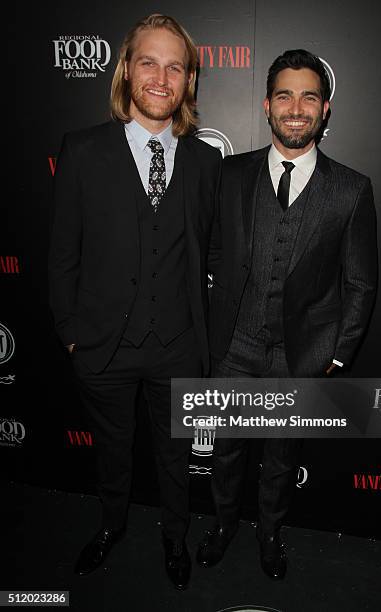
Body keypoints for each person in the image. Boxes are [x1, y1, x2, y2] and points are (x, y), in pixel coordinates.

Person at [49, 14, 221, 590]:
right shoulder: (83, 150)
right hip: (104, 346)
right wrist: (72, 331)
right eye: (149, 61)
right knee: (112, 454)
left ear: (188, 81)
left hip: (177, 349)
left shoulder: (205, 163)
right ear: (126, 69)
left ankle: (175, 537)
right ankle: (110, 526)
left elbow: (211, 254)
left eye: (175, 66)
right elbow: (61, 255)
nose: (161, 76)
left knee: (175, 460)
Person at [198, 49, 377, 580]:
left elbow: (361, 283)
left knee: (279, 457)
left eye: (309, 97)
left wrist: (337, 357)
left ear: (325, 110)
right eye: (284, 96)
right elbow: (208, 254)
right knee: (226, 450)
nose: (295, 107)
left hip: (298, 356)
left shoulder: (351, 189)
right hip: (233, 347)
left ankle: (269, 533)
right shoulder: (229, 174)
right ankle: (224, 524)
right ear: (266, 105)